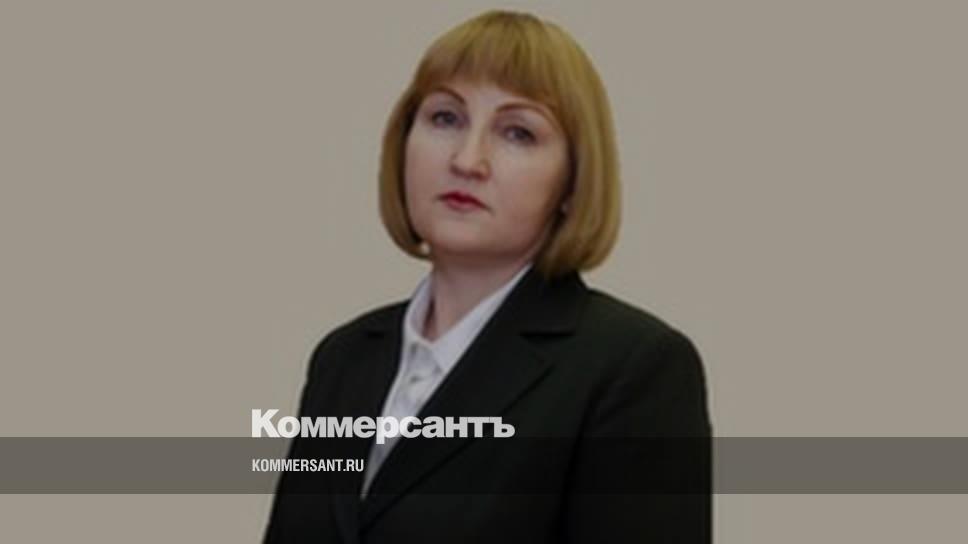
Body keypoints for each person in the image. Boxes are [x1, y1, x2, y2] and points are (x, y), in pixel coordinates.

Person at [264, 9, 711, 543]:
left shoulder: (632, 369)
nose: (468, 160)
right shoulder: (343, 358)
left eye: (518, 133)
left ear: (572, 181)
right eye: (445, 118)